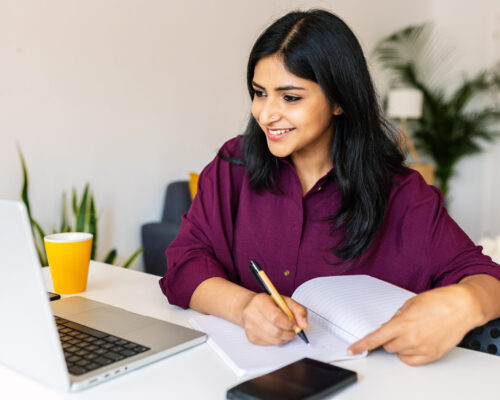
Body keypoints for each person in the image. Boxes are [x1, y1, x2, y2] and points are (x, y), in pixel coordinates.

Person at [159, 9, 500, 366]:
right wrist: (244, 308)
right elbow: (185, 263)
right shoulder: (233, 166)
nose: (266, 114)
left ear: (339, 100)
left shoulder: (403, 193)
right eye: (260, 93)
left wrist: (465, 304)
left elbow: (485, 278)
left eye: (290, 97)